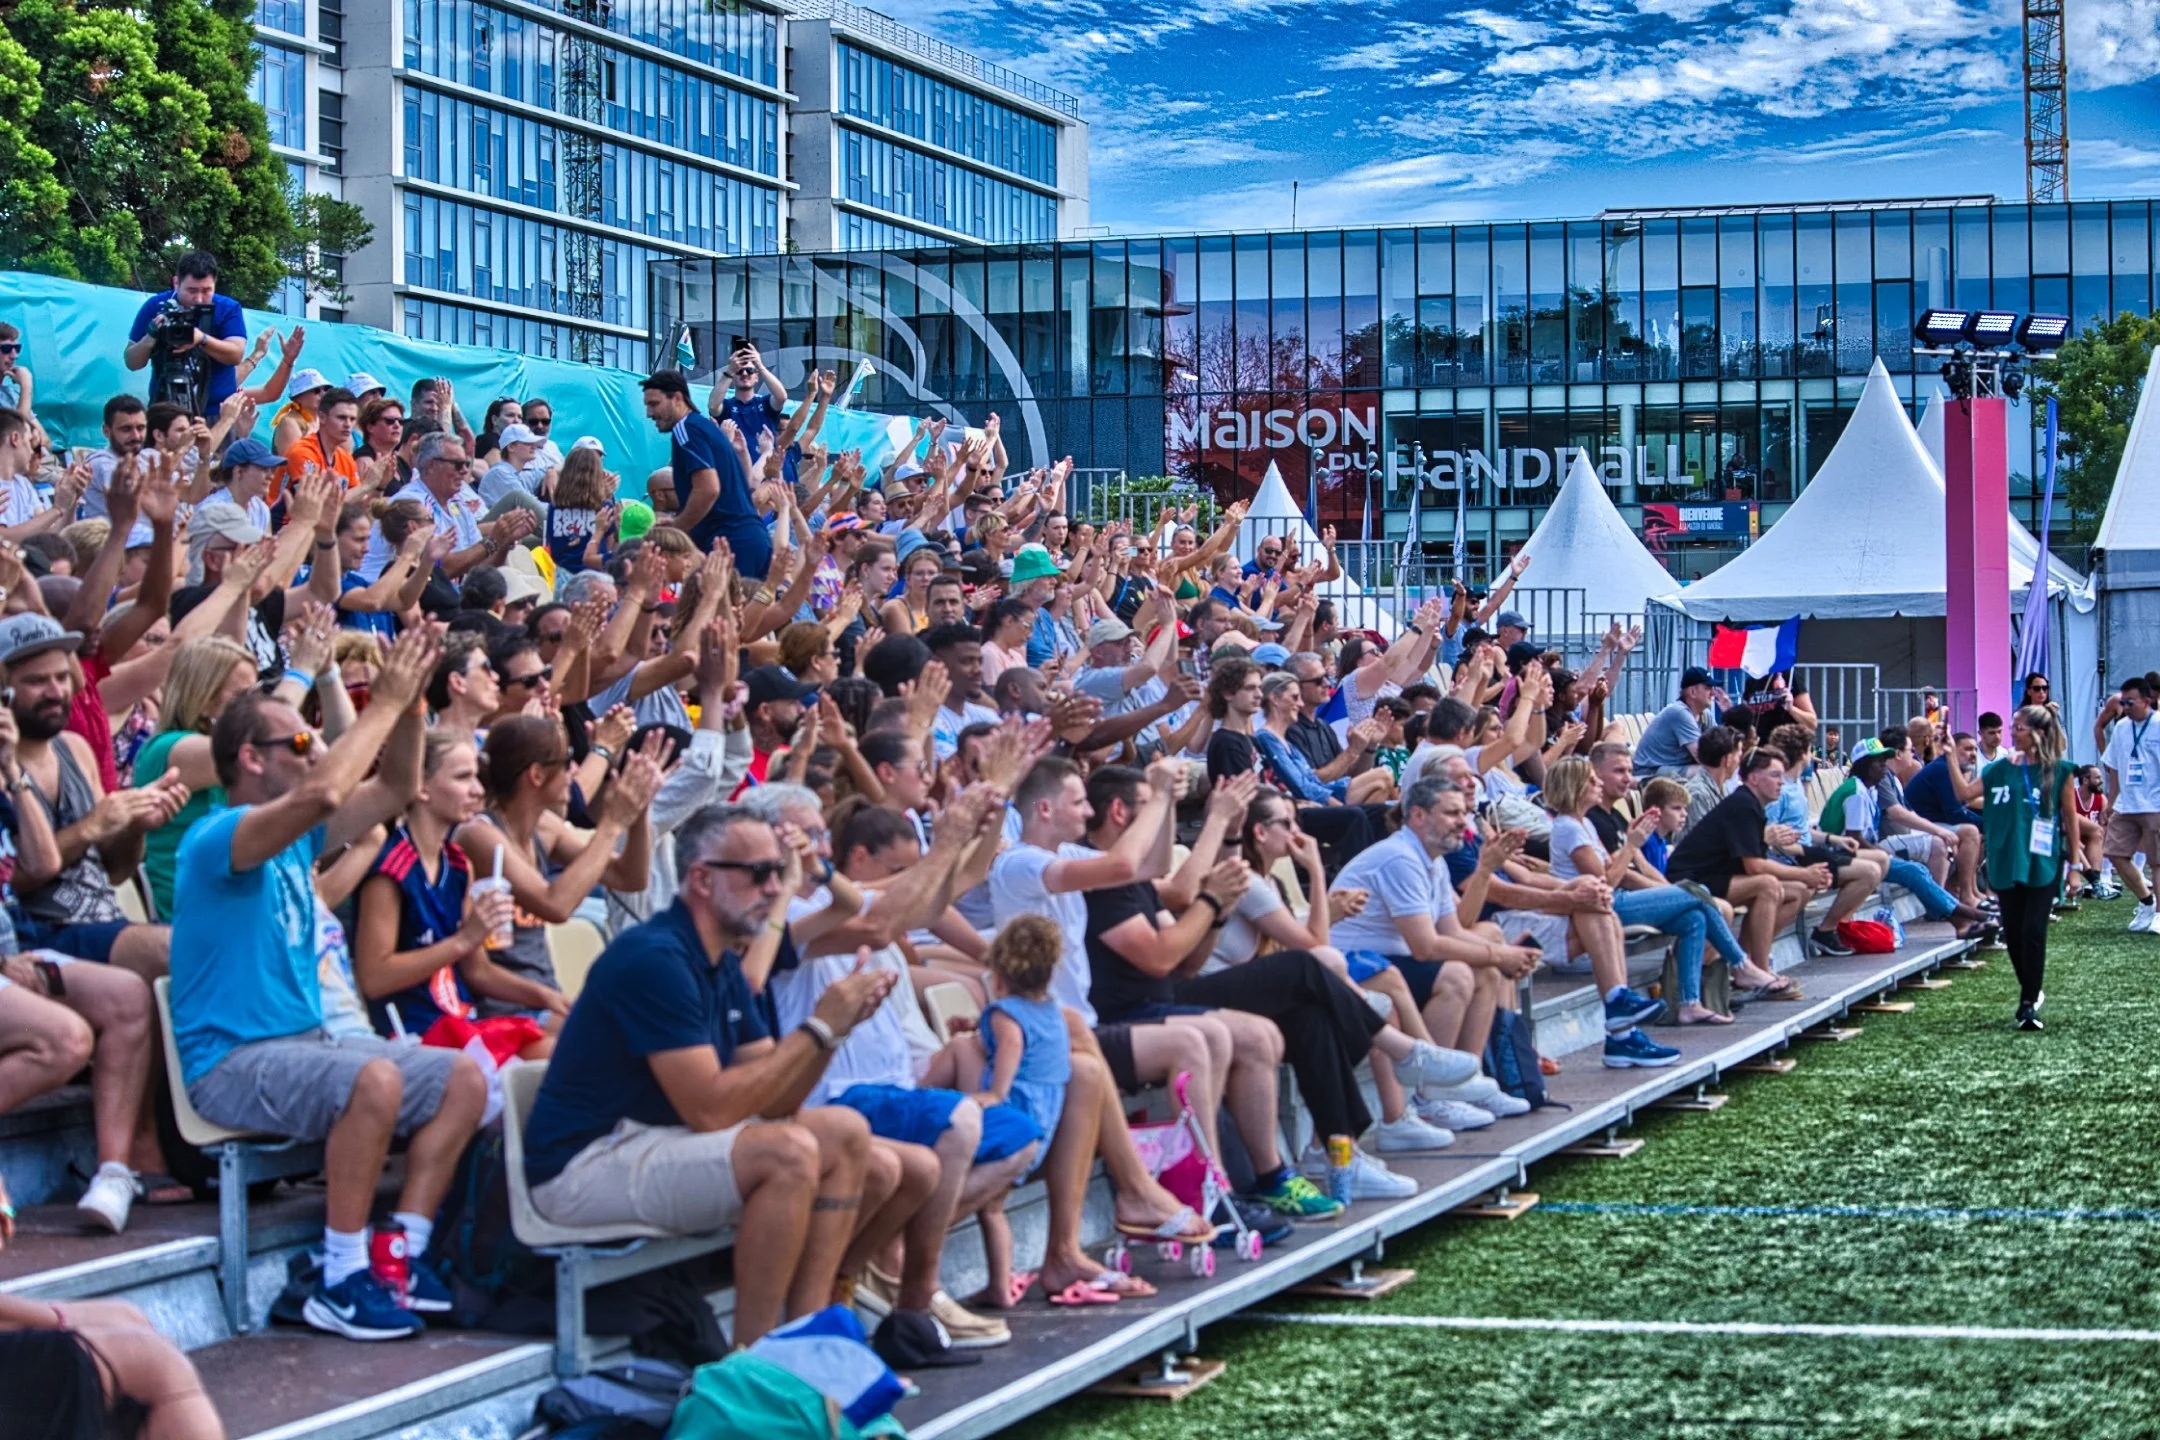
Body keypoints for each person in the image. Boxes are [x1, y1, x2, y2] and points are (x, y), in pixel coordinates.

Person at [169, 626, 491, 1339]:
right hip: (230, 1059)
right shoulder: (218, 836)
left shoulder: (295, 840)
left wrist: (407, 708)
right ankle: (339, 1275)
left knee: (464, 1077)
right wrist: (382, 707)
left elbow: (399, 787)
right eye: (301, 743)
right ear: (251, 759)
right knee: (375, 1079)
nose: (316, 749)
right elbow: (320, 796)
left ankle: (397, 1249)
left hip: (303, 1044)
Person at [518, 804, 888, 1349]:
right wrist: (817, 1026)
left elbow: (777, 1095)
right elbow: (711, 1110)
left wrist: (833, 1033)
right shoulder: (654, 959)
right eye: (759, 873)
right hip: (583, 1165)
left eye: (780, 873)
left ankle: (807, 1338)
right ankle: (753, 1364)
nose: (776, 887)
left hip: (653, 1139)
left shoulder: (719, 959)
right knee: (787, 1154)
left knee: (848, 1134)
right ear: (701, 879)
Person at [1326, 775, 1559, 1073]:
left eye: (1463, 813)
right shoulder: (1400, 858)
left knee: (1486, 969)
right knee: (1457, 975)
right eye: (1451, 813)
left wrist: (1507, 954)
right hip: (1354, 966)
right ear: (1418, 816)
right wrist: (1501, 955)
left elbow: (1454, 931)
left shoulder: (1431, 859)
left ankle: (1469, 1076)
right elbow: (1426, 948)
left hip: (1389, 958)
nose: (1463, 822)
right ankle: (1432, 1090)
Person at [351, 732, 562, 1047]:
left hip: (463, 1020)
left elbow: (478, 971)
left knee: (580, 1037)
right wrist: (464, 939)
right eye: (463, 778)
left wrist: (546, 997)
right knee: (556, 1055)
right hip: (412, 1033)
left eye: (477, 777)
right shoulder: (390, 869)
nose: (477, 790)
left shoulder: (459, 863)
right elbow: (374, 978)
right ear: (421, 787)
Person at [1663, 747, 1813, 999]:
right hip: (1691, 881)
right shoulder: (1743, 805)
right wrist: (1805, 873)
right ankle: (1760, 972)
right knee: (1767, 885)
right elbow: (1755, 867)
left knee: (1798, 893)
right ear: (1753, 778)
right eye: (1775, 775)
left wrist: (1803, 879)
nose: (1781, 782)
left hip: (1717, 878)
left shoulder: (1752, 805)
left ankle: (1745, 962)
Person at [1980, 705, 2082, 1029]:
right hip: (2011, 860)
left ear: (2036, 733)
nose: (2012, 732)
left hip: (2043, 862)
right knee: (2013, 933)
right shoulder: (2006, 767)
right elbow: (1964, 795)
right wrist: (1953, 757)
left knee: (2033, 931)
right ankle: (2031, 990)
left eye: (2018, 727)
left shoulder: (2062, 771)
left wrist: (2076, 867)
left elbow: (2070, 820)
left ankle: (2027, 1004)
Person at [642, 370, 769, 581]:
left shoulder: (686, 429)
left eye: (654, 404)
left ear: (677, 398)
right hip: (751, 539)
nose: (649, 413)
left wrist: (677, 528)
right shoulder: (704, 429)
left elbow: (708, 489)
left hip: (729, 543)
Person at [123, 251, 246, 415]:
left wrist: (201, 339)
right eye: (192, 290)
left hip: (217, 412)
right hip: (164, 411)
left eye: (206, 290)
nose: (199, 299)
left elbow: (236, 354)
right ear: (176, 282)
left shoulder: (228, 308)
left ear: (215, 284)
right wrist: (150, 338)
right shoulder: (156, 306)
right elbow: (132, 362)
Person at [2099, 676, 2160, 934]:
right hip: (2127, 803)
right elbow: (2113, 766)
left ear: (2147, 701)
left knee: (2157, 862)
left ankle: (2158, 915)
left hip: (2155, 803)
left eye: (2130, 701)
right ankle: (2147, 901)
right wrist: (2111, 801)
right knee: (2114, 852)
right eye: (2123, 701)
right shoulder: (2122, 727)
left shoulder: (2158, 725)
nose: (2125, 706)